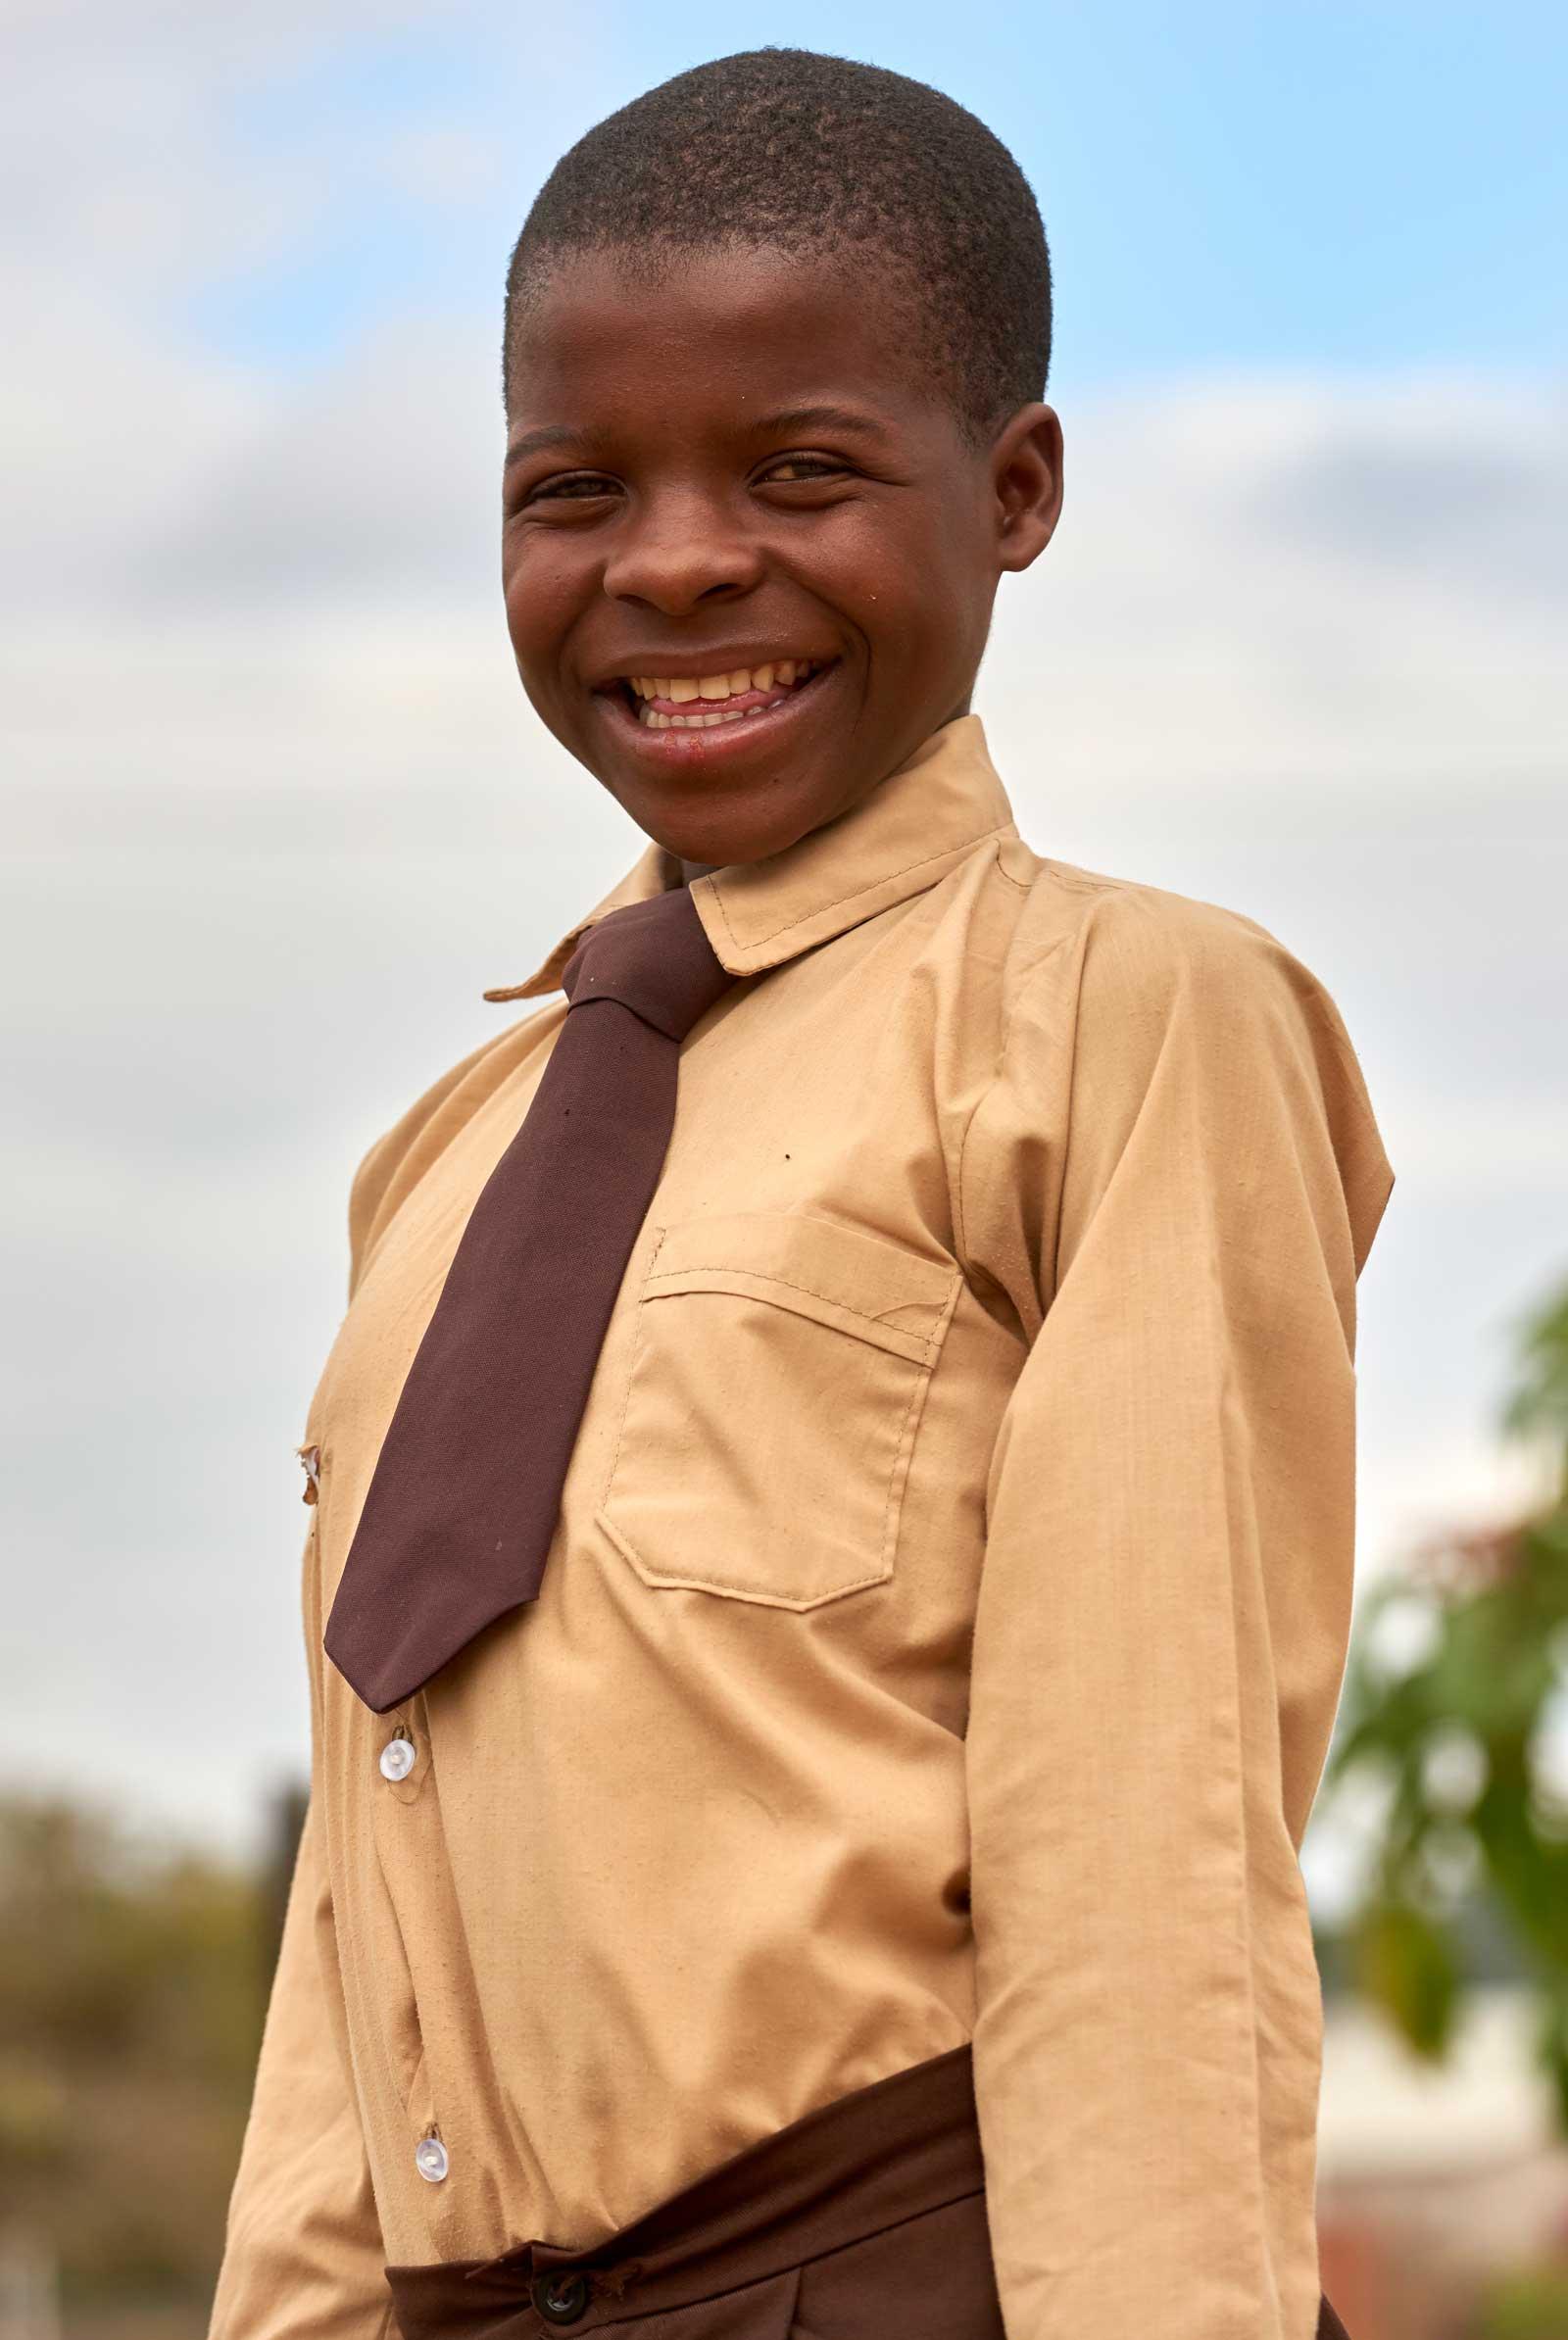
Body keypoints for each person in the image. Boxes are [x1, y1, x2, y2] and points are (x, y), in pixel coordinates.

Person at [210, 47, 1393, 2340]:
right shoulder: (445, 1161)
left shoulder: (1120, 1021)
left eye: (798, 470)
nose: (672, 562)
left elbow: (1141, 1852)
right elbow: (373, 1915)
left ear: (1013, 490)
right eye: (574, 488)